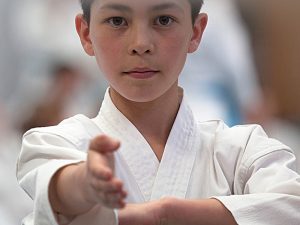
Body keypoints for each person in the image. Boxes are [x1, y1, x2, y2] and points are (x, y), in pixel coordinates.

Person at [17, 0, 300, 225]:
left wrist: (165, 214)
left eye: (163, 20)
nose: (141, 43)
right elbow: (59, 190)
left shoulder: (242, 150)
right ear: (86, 34)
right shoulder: (54, 142)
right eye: (117, 21)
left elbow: (291, 207)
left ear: (196, 31)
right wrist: (87, 182)